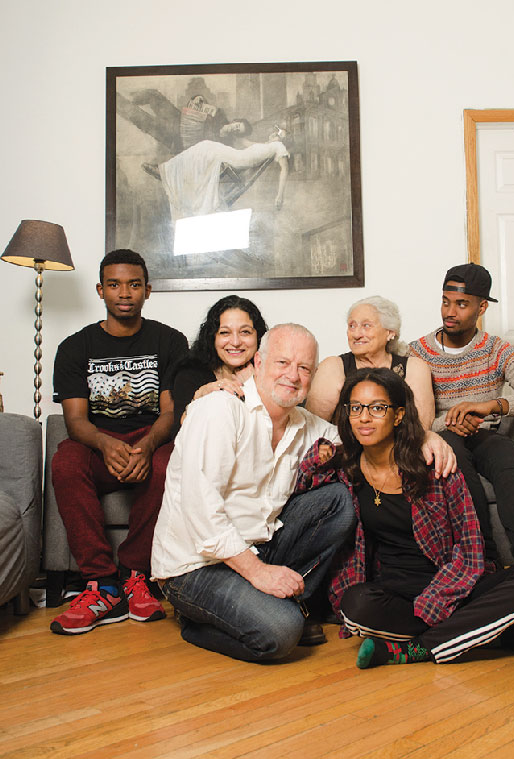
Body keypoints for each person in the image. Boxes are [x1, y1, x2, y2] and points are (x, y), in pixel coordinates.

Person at [318, 368, 514, 668]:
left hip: (456, 584)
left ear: (397, 415)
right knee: (354, 606)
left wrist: (439, 598)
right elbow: (302, 478)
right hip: (396, 593)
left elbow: (471, 550)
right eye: (356, 408)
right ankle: (489, 633)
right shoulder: (343, 469)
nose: (364, 418)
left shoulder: (436, 465)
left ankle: (417, 649)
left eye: (377, 408)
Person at [151, 324, 356, 662]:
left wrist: (423, 438)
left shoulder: (303, 424)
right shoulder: (219, 409)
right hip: (195, 566)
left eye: (304, 368)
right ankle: (194, 620)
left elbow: (360, 440)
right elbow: (201, 511)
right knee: (283, 631)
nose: (293, 376)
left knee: (338, 502)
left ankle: (272, 602)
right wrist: (259, 574)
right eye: (282, 363)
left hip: (259, 546)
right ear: (258, 363)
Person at [409, 262, 514, 621]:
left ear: (482, 308)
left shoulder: (497, 350)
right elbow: (413, 420)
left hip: (486, 434)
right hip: (441, 439)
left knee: (507, 457)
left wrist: (492, 405)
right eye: (445, 301)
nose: (450, 312)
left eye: (462, 304)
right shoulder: (418, 353)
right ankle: (484, 565)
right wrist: (453, 420)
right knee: (457, 464)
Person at [50, 249, 189, 635]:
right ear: (100, 290)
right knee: (65, 461)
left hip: (151, 440)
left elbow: (170, 413)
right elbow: (76, 421)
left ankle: (135, 575)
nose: (124, 293)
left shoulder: (170, 341)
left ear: (148, 289)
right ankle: (101, 583)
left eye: (133, 284)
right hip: (98, 444)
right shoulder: (75, 347)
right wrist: (104, 444)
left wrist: (146, 445)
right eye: (114, 284)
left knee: (171, 461)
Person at [305, 295, 455, 479]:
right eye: (352, 325)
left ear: (390, 332)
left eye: (366, 325)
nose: (356, 333)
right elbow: (312, 428)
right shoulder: (333, 366)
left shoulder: (414, 368)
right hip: (347, 458)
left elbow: (419, 427)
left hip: (401, 456)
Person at [170, 295, 267, 437]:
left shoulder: (272, 372)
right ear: (212, 337)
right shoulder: (190, 374)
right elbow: (180, 438)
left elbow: (278, 430)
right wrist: (199, 397)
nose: (235, 342)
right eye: (225, 332)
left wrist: (254, 384)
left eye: (245, 332)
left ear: (258, 336)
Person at [157, 127, 289, 220]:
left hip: (240, 159)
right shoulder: (266, 145)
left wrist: (280, 195)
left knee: (205, 146)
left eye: (278, 132)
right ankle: (170, 170)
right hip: (238, 155)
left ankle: (168, 171)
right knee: (205, 146)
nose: (274, 133)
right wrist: (230, 128)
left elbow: (284, 170)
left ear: (283, 138)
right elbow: (244, 142)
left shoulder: (279, 147)